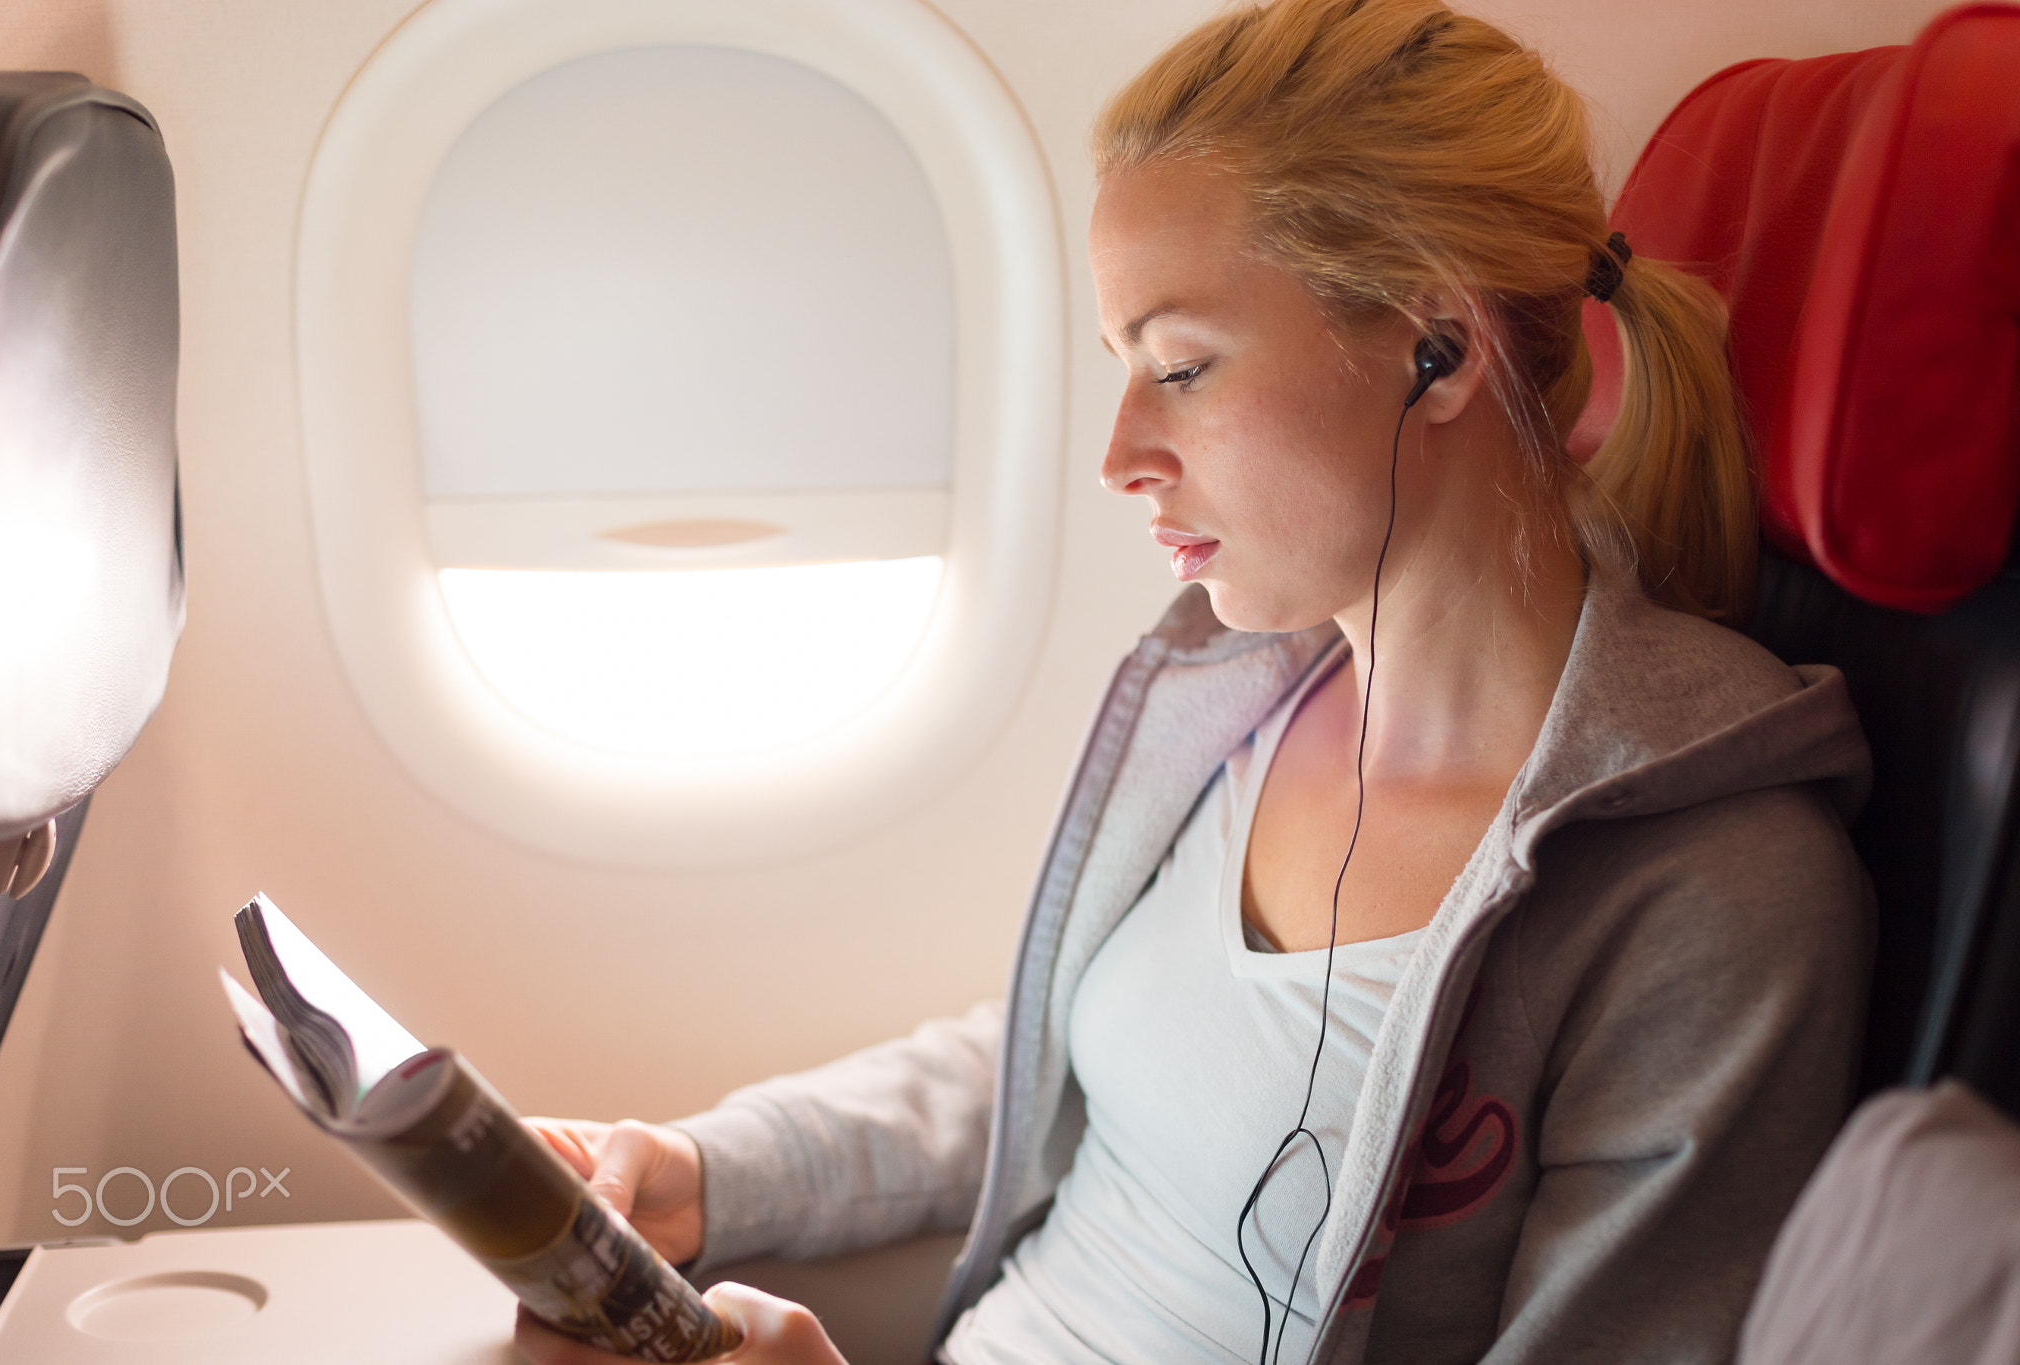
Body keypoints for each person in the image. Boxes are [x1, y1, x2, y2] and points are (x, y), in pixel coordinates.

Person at [517, 0, 1874, 1361]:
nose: (1119, 454)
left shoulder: (1713, 892)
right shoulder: (1246, 697)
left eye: (1182, 366)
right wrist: (705, 1166)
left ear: (1439, 351)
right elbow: (1062, 1058)